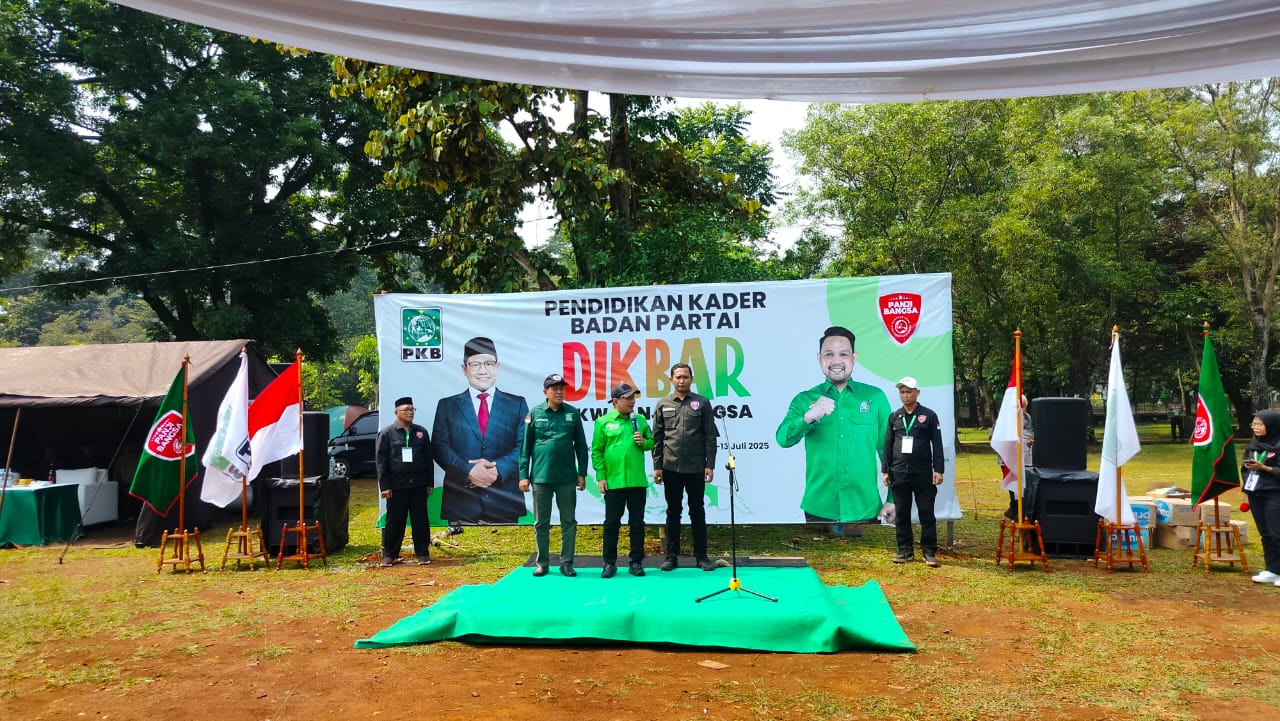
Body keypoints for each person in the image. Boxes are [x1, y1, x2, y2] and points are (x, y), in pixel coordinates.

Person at [776, 326, 892, 525]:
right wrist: (808, 417)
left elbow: (890, 453)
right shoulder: (804, 399)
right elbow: (782, 439)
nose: (836, 361)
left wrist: (893, 499)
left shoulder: (875, 397)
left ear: (854, 357)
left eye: (843, 354)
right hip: (818, 509)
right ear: (819, 358)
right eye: (828, 354)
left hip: (864, 508)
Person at [432, 336, 530, 524]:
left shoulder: (517, 404)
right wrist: (468, 470)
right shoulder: (447, 406)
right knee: (461, 544)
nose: (483, 370)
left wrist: (498, 469)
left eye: (488, 364)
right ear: (464, 369)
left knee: (506, 544)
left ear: (497, 367)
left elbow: (524, 445)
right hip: (461, 500)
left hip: (504, 500)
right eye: (475, 365)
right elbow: (439, 447)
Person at [518, 373, 589, 577]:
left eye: (562, 388)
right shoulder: (534, 413)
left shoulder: (572, 413)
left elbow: (581, 446)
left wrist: (582, 473)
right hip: (541, 476)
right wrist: (523, 475)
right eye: (555, 388)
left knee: (569, 521)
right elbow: (525, 447)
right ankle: (542, 563)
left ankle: (567, 562)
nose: (559, 392)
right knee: (541, 522)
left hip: (567, 477)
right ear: (545, 392)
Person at [652, 363, 719, 572]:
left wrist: (710, 465)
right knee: (673, 512)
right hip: (670, 468)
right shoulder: (663, 404)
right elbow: (657, 438)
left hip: (696, 467)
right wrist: (657, 466)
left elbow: (710, 436)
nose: (682, 380)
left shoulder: (702, 403)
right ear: (671, 379)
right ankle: (671, 557)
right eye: (678, 377)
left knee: (697, 511)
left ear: (691, 379)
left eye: (685, 377)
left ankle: (702, 557)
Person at [592, 383, 655, 578]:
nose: (632, 401)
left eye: (633, 397)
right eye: (627, 398)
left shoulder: (640, 420)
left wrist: (643, 442)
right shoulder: (603, 422)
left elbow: (652, 442)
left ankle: (636, 562)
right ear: (616, 401)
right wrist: (601, 477)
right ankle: (609, 563)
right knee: (612, 523)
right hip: (614, 482)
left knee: (637, 524)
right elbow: (597, 451)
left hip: (637, 482)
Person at [882, 377, 945, 567]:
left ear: (917, 392)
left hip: (923, 473)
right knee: (901, 513)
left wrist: (938, 469)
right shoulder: (894, 416)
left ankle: (929, 552)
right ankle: (905, 551)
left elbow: (937, 444)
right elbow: (888, 445)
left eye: (909, 391)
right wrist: (885, 470)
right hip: (899, 472)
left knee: (926, 513)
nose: (905, 395)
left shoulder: (929, 415)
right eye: (902, 392)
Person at [375, 396, 435, 566]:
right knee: (395, 521)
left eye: (412, 409)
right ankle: (390, 555)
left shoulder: (421, 432)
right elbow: (381, 462)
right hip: (396, 486)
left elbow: (428, 459)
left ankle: (422, 553)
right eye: (406, 409)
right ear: (396, 412)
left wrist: (429, 483)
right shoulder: (387, 433)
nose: (410, 412)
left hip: (418, 484)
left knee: (420, 520)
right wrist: (385, 486)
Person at [1241, 410, 1280, 587]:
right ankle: (1272, 569)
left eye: (1259, 424)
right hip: (1256, 493)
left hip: (1274, 493)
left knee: (1276, 533)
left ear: (1271, 426)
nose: (1255, 427)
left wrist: (1265, 468)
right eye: (1254, 424)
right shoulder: (1253, 445)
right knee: (1265, 533)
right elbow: (1245, 468)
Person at [1003, 395, 1035, 521]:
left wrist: (1031, 439)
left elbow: (1030, 433)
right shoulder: (1006, 419)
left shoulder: (1027, 417)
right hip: (1010, 457)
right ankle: (1015, 509)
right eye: (1020, 406)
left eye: (1024, 407)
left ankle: (1016, 510)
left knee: (1024, 484)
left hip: (1026, 456)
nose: (1023, 409)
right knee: (1013, 484)